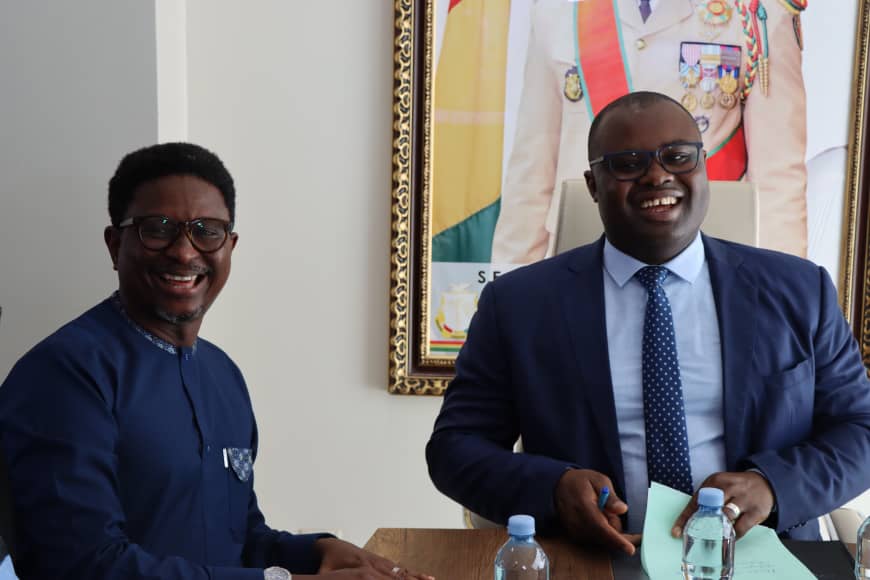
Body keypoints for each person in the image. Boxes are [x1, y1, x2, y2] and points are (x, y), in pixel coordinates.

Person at [427, 92, 870, 555]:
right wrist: (553, 488)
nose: (657, 175)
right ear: (593, 185)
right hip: (594, 559)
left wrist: (772, 486)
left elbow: (860, 429)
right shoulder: (518, 305)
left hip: (762, 556)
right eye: (627, 163)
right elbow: (455, 447)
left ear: (702, 167)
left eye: (677, 157)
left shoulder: (800, 290)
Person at [0, 143, 431, 580]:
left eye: (207, 231)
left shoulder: (222, 375)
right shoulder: (62, 376)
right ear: (115, 245)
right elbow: (84, 565)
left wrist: (318, 551)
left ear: (230, 247)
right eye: (158, 229)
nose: (184, 252)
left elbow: (240, 541)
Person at [491, 0, 808, 264]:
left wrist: (781, 292)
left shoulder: (758, 12)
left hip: (703, 257)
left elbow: (778, 177)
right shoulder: (558, 8)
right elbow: (533, 170)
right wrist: (508, 282)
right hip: (586, 251)